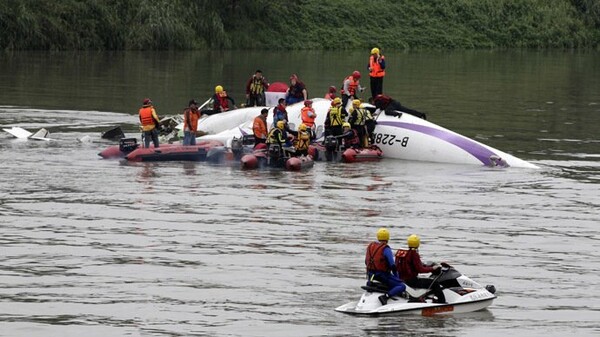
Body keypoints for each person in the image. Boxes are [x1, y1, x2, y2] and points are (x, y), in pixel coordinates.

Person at [395, 234, 446, 304]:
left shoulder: (402, 253)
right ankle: (442, 302)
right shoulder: (413, 253)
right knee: (435, 283)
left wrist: (426, 266)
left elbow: (413, 264)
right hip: (412, 281)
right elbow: (420, 269)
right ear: (418, 243)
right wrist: (432, 268)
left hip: (402, 279)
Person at [365, 228, 406, 306]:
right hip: (382, 276)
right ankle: (386, 297)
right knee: (401, 286)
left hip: (371, 276)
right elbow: (393, 265)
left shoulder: (370, 246)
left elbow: (366, 262)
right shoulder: (386, 249)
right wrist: (397, 278)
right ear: (387, 238)